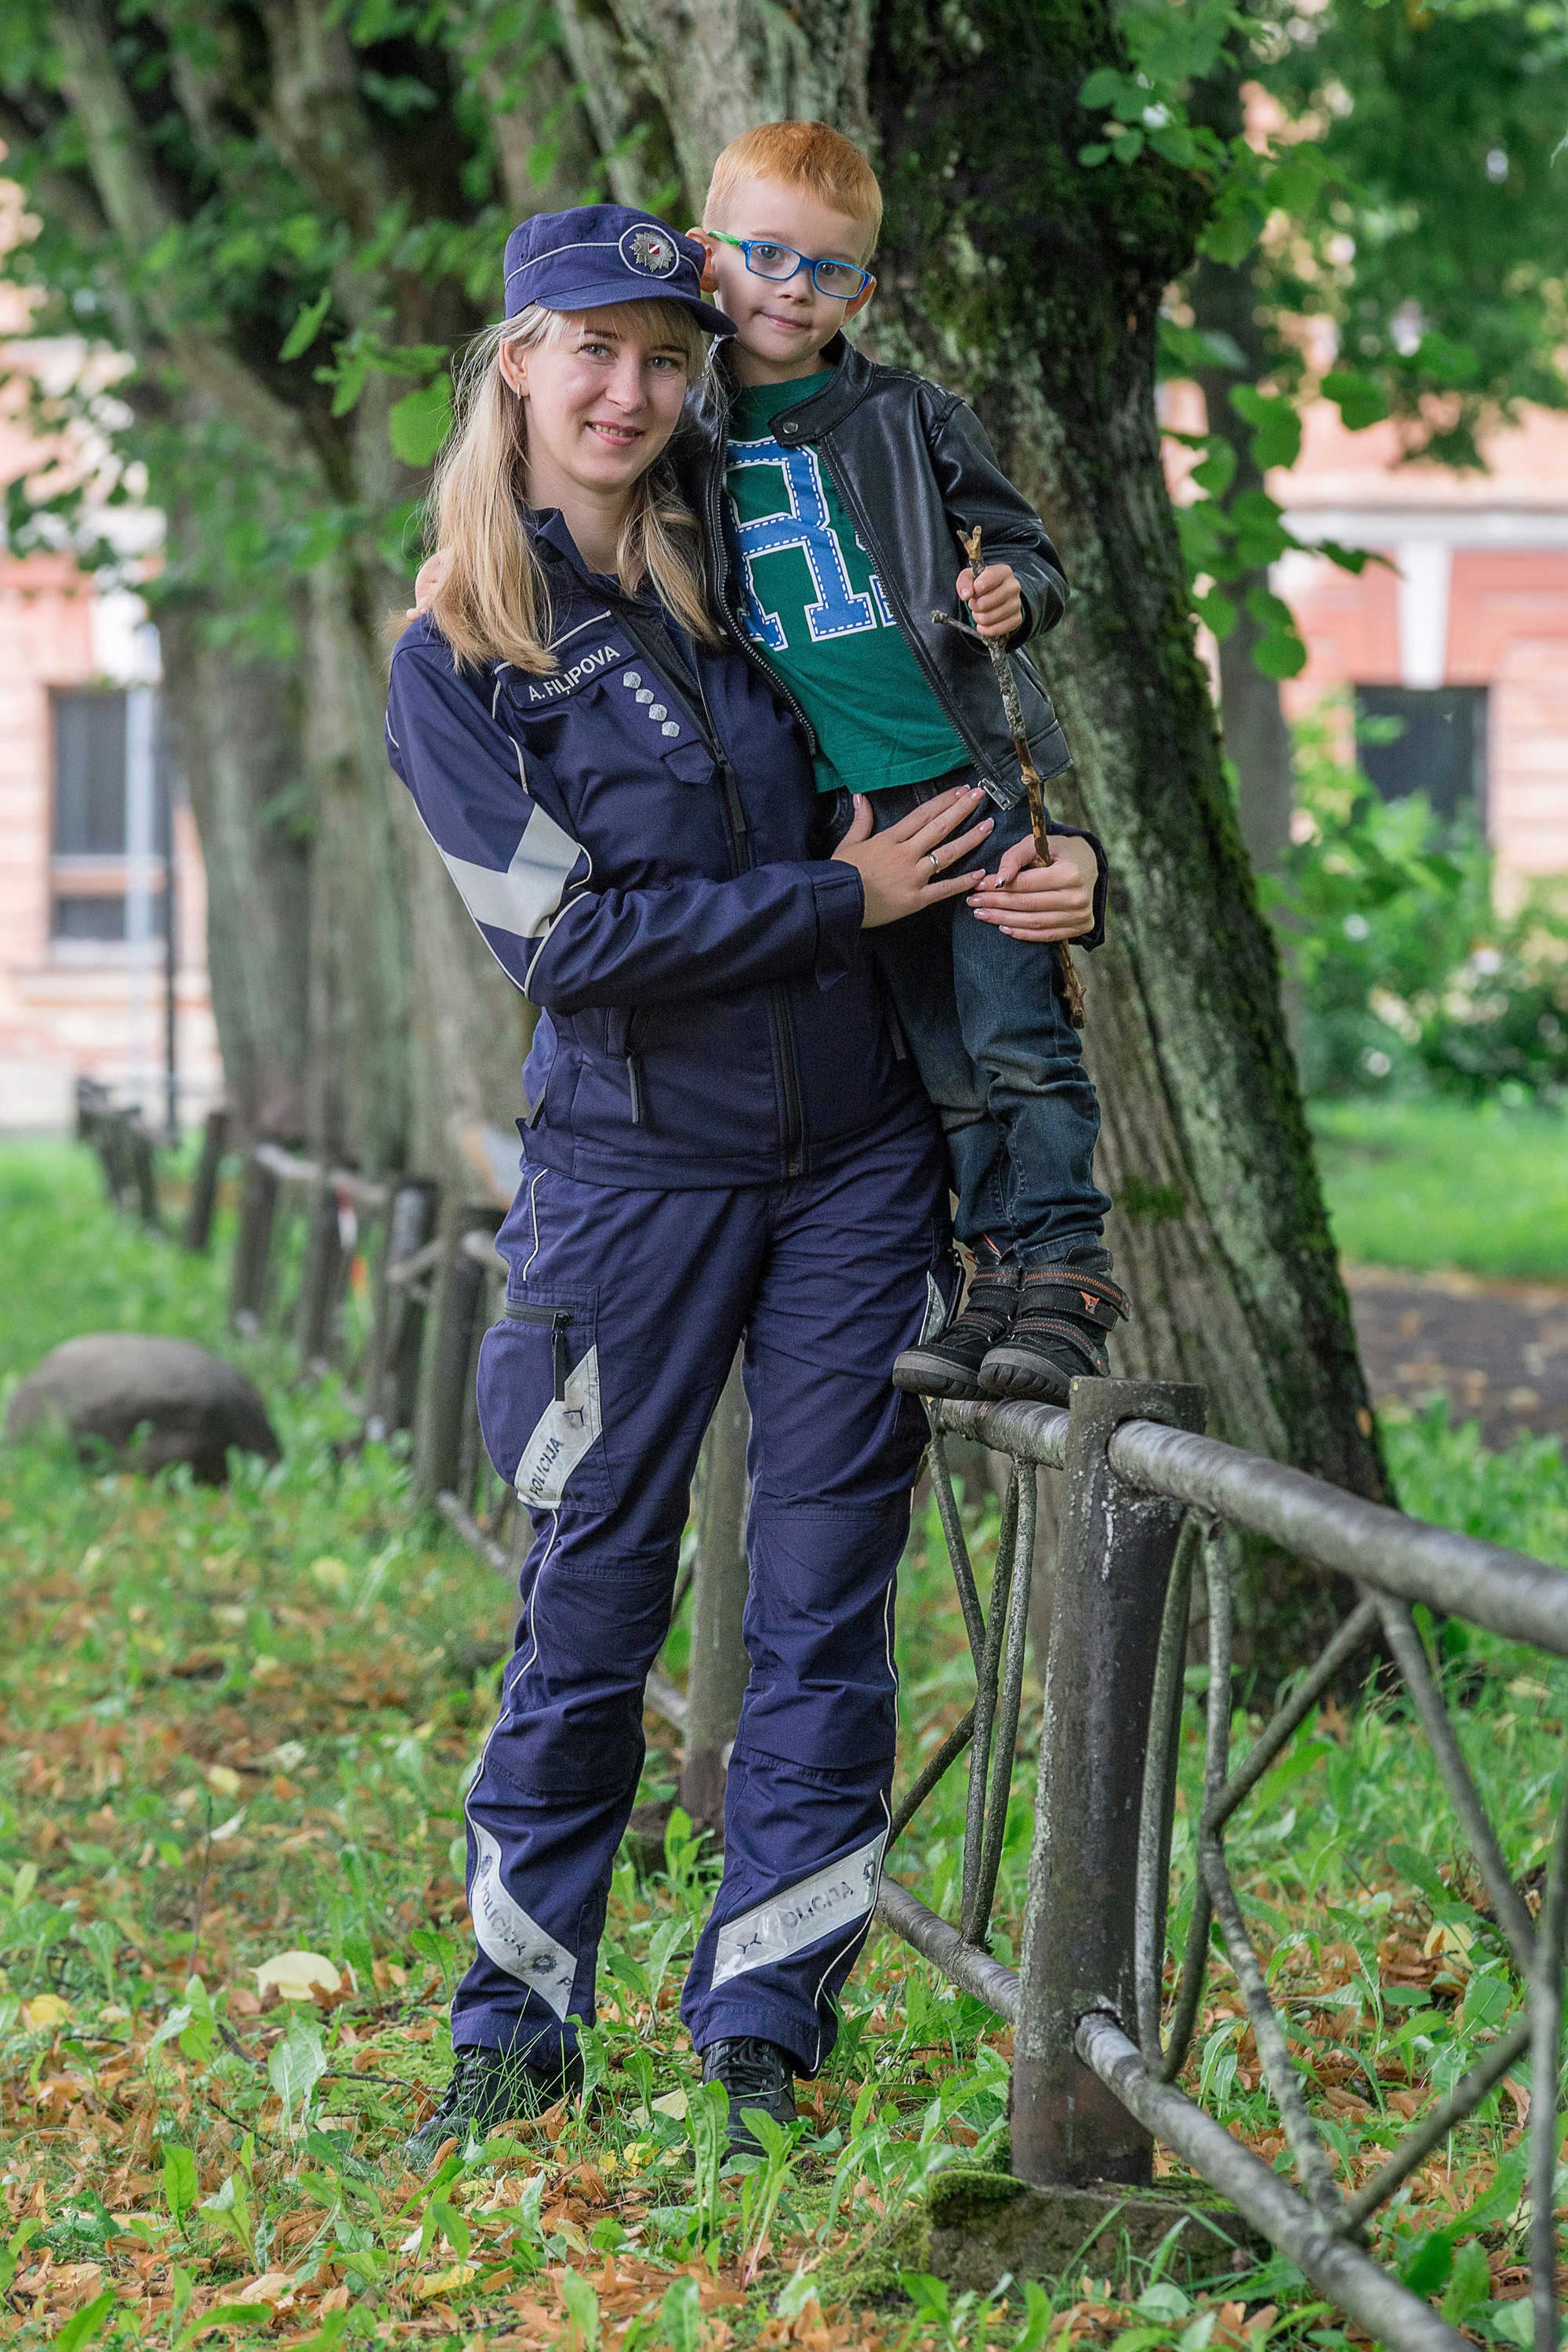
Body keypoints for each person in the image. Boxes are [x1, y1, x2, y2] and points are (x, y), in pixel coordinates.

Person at [384, 203, 1080, 2165]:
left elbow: (943, 742)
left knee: (820, 1609)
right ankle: (511, 2045)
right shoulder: (459, 655)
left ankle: (763, 2037)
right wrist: (829, 898)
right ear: (514, 361)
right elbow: (566, 949)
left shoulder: (755, 583)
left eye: (667, 358)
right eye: (590, 350)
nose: (630, 390)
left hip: (858, 1169)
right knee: (587, 1605)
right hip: (632, 1187)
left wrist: (1055, 871)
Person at [684, 121, 1129, 1407]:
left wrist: (1011, 593)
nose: (794, 289)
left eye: (831, 271)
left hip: (970, 781)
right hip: (853, 816)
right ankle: (992, 1268)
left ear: (863, 290)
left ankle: (1067, 1269)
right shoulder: (687, 440)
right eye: (765, 255)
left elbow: (1030, 551)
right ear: (710, 254)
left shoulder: (909, 415)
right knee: (942, 1056)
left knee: (1019, 1038)